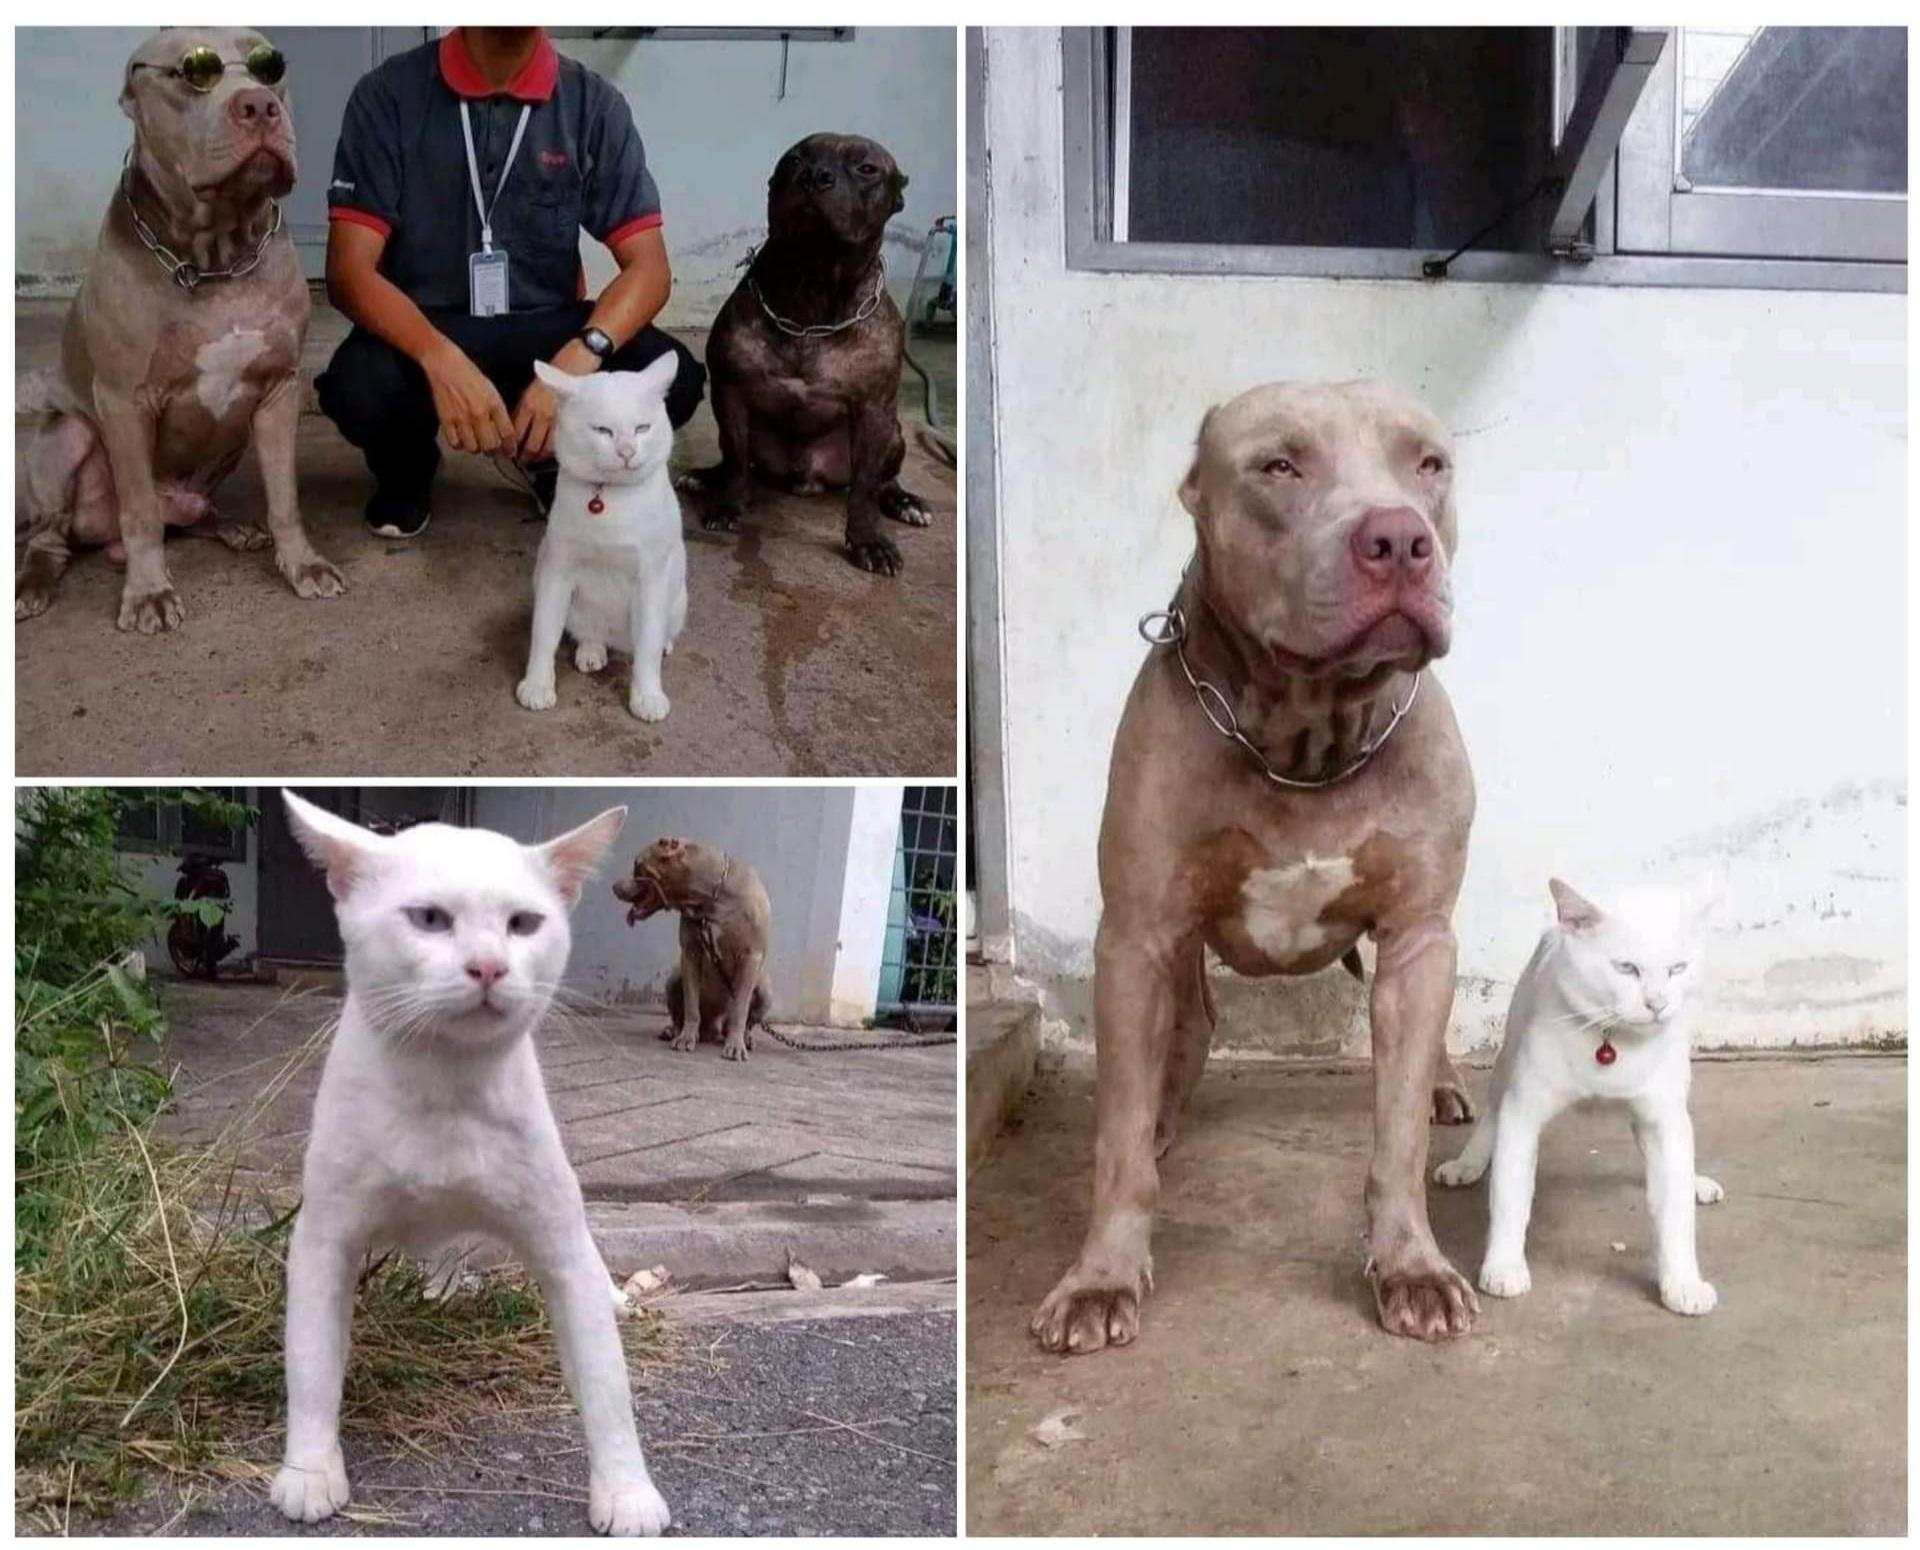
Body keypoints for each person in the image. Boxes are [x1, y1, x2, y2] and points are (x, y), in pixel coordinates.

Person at [317, 26, 705, 538]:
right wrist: (439, 358)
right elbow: (348, 273)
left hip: (546, 329)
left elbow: (650, 269)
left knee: (670, 381)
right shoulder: (389, 95)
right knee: (359, 386)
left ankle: (558, 461)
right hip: (427, 324)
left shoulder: (591, 105)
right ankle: (406, 470)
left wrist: (579, 358)